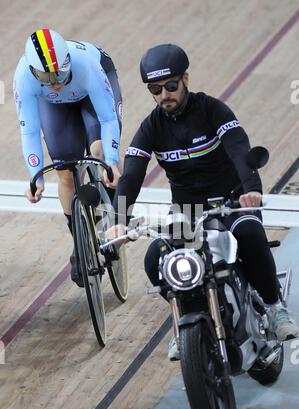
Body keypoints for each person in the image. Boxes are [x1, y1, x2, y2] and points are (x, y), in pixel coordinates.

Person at [110, 43, 299, 358]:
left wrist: (251, 190)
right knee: (155, 259)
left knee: (250, 233)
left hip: (232, 197)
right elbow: (131, 176)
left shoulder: (213, 110)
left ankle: (274, 306)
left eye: (170, 86)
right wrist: (117, 220)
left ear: (185, 78)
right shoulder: (150, 128)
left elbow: (239, 150)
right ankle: (186, 318)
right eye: (155, 89)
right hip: (188, 208)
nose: (164, 95)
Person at [13, 28, 122, 286]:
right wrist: (35, 178)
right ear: (33, 72)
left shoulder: (86, 66)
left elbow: (107, 118)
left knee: (100, 152)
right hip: (53, 105)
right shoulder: (24, 78)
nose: (54, 82)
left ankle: (116, 215)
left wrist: (113, 161)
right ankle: (81, 245)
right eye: (45, 76)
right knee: (64, 172)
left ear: (67, 63)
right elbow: (28, 131)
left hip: (90, 91)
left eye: (59, 73)